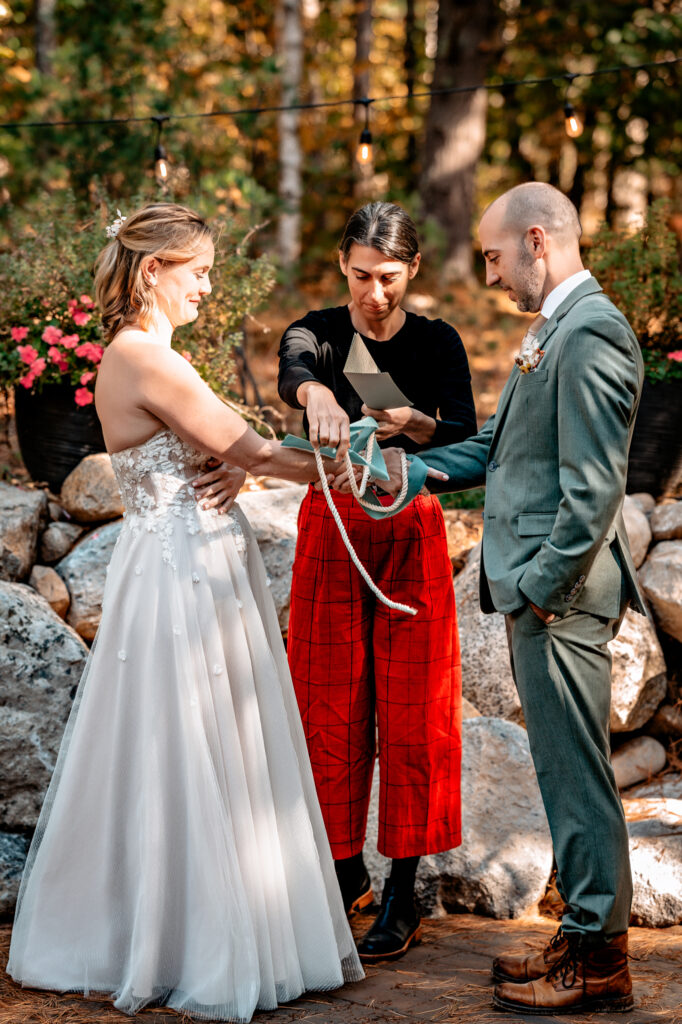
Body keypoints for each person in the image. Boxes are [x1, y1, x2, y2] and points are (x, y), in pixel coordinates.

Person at [7, 202, 375, 1021]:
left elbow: (223, 453)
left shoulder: (144, 356)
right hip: (182, 576)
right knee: (188, 742)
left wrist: (248, 468)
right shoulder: (145, 358)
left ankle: (190, 926)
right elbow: (249, 447)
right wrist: (353, 466)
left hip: (185, 562)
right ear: (152, 271)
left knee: (194, 742)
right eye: (199, 270)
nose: (210, 285)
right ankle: (191, 942)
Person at [381, 182, 644, 1014]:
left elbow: (594, 491)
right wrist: (418, 464)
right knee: (562, 773)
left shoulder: (592, 331)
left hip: (559, 596)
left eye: (494, 257)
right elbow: (504, 445)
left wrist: (536, 589)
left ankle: (602, 965)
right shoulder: (553, 329)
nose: (490, 276)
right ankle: (581, 938)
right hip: (545, 594)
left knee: (578, 777)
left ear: (538, 240)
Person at [278, 201, 477, 962]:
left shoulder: (437, 342)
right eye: (362, 275)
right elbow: (296, 366)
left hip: (412, 528)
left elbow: (463, 432)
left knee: (413, 712)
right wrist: (320, 395)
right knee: (326, 699)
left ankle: (402, 891)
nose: (374, 293)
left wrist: (415, 426)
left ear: (413, 271)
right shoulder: (322, 331)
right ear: (342, 264)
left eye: (389, 278)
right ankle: (339, 868)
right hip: (331, 527)